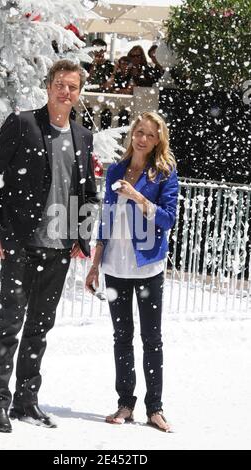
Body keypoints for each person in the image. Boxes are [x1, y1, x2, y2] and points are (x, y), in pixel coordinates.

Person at [0, 59, 98, 433]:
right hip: (20, 243)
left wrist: (82, 236)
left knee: (40, 327)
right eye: (60, 84)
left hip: (59, 246)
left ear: (78, 94)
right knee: (10, 321)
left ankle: (27, 401)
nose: (66, 92)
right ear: (48, 87)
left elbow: (87, 193)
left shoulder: (82, 135)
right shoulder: (24, 123)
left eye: (73, 87)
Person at [85, 111, 178, 432]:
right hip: (115, 267)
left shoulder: (164, 174)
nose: (141, 138)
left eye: (149, 135)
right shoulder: (117, 170)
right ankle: (125, 403)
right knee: (121, 338)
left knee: (152, 339)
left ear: (157, 141)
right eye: (138, 132)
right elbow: (106, 219)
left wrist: (138, 197)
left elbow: (168, 219)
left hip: (148, 266)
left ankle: (155, 408)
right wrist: (95, 265)